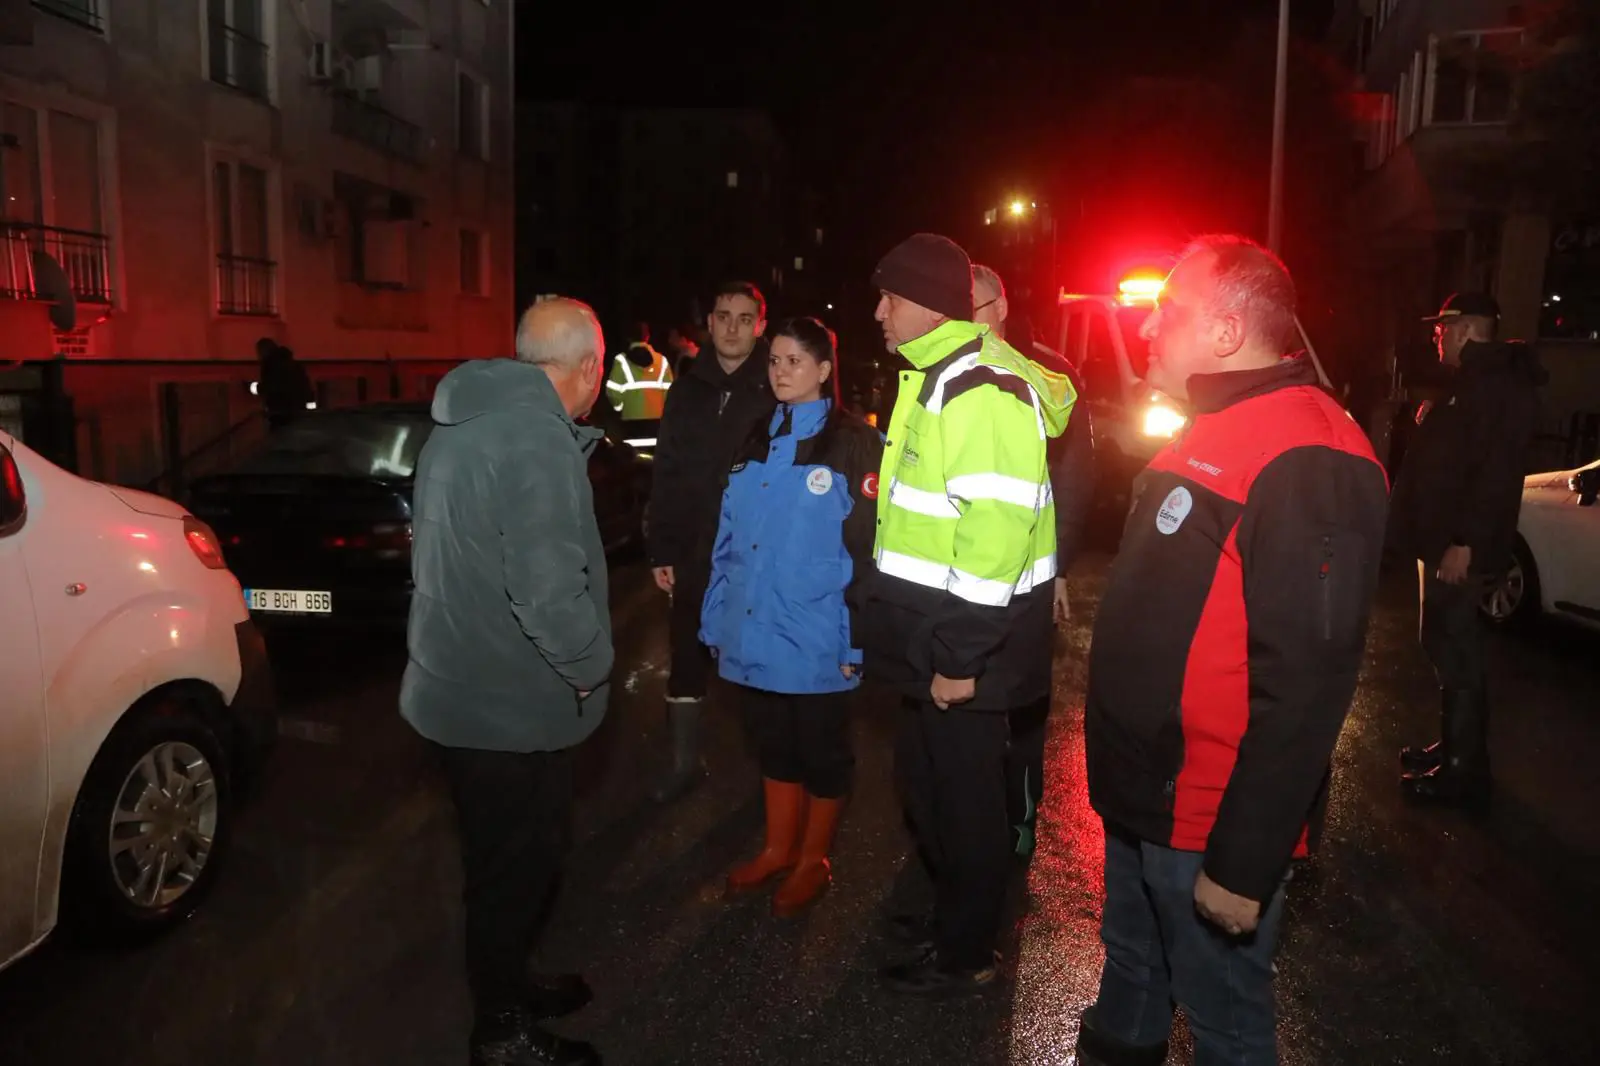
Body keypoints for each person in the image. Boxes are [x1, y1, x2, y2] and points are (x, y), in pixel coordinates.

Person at [1076, 236, 1389, 1066]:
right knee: (1134, 973)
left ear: (1224, 332)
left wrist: (1244, 862)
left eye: (1166, 313)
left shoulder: (1309, 450)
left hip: (1206, 821)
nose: (1148, 330)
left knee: (1226, 1024)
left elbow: (1312, 684)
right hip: (1145, 797)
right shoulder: (1212, 425)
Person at [401, 298, 613, 1066]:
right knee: (512, 874)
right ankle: (502, 1032)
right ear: (588, 369)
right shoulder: (534, 441)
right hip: (509, 706)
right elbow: (546, 592)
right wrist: (591, 670)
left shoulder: (464, 422)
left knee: (503, 866)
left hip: (460, 691)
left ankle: (512, 984)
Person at [861, 233, 1075, 997]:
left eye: (890, 297)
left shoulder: (980, 387)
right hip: (933, 636)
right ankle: (952, 919)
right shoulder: (933, 375)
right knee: (927, 788)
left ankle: (966, 952)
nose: (878, 312)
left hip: (965, 643)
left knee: (966, 802)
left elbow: (992, 538)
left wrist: (956, 657)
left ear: (930, 303)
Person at [701, 317, 883, 916]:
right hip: (752, 626)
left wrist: (857, 641)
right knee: (772, 744)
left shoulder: (852, 442)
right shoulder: (757, 434)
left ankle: (813, 859)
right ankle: (779, 847)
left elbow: (867, 551)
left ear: (825, 370)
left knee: (822, 751)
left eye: (794, 362)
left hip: (816, 633)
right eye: (774, 361)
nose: (779, 372)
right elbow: (728, 538)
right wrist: (714, 618)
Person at [1389, 291, 1546, 809]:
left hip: (1458, 547)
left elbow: (1496, 475)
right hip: (1441, 542)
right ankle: (1454, 748)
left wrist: (1466, 542)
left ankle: (1463, 771)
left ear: (1465, 330)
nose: (1437, 336)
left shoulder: (1498, 383)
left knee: (1456, 650)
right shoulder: (1473, 381)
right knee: (1443, 644)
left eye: (1442, 329)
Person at [972, 264, 1097, 861]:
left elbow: (1074, 477)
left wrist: (1059, 566)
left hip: (1027, 575)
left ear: (999, 306)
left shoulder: (1048, 373)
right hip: (963, 576)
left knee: (1022, 704)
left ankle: (1020, 816)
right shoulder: (945, 371)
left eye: (970, 305)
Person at [647, 282, 777, 802]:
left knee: (758, 660)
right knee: (686, 656)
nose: (732, 327)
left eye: (745, 319)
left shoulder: (774, 386)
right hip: (694, 549)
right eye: (724, 316)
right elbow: (669, 470)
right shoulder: (687, 388)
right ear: (710, 322)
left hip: (755, 554)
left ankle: (768, 775)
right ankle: (682, 763)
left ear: (760, 326)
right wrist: (662, 548)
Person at [604, 322, 673, 447]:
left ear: (628, 337)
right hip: (659, 431)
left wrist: (620, 407)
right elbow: (672, 395)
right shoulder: (662, 361)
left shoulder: (621, 361)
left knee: (636, 464)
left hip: (632, 429)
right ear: (647, 337)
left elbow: (613, 393)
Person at [256, 337, 313, 428]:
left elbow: (270, 387)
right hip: (299, 412)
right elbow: (306, 387)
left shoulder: (271, 366)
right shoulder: (294, 365)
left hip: (281, 413)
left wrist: (252, 387)